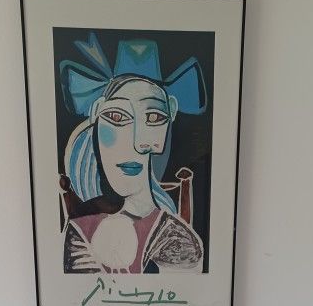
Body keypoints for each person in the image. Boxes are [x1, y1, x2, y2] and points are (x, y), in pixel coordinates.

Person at [59, 35, 207, 274]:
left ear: (170, 118)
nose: (137, 143)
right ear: (95, 115)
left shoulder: (176, 240)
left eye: (154, 118)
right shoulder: (80, 230)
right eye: (117, 117)